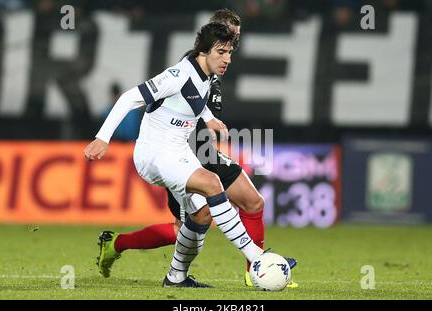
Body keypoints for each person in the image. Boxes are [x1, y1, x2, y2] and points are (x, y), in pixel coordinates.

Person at [94, 9, 298, 288]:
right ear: (206, 47)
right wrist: (103, 137)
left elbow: (194, 100)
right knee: (212, 185)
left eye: (231, 49)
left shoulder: (206, 73)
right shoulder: (179, 73)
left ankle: (176, 278)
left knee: (201, 216)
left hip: (179, 151)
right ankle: (258, 258)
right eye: (223, 49)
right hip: (155, 153)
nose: (229, 55)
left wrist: (208, 119)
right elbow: (131, 97)